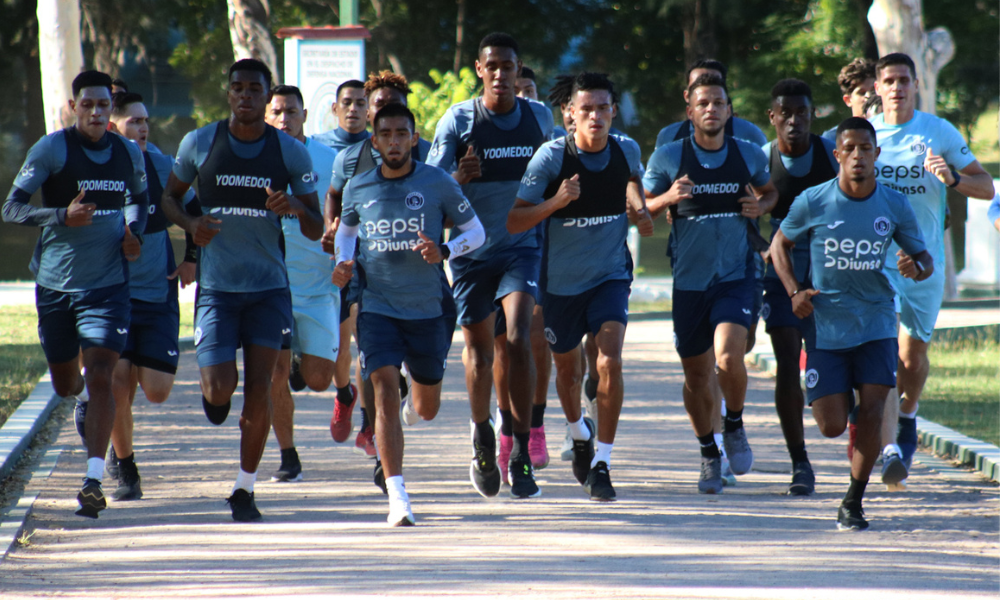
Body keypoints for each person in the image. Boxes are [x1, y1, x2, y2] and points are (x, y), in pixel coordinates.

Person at [161, 59, 323, 522]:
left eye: (256, 89)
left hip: (269, 290)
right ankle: (217, 397)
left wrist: (292, 205)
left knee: (260, 387)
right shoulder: (200, 143)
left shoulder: (289, 153)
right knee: (218, 387)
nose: (246, 96)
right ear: (228, 93)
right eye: (239, 88)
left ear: (267, 98)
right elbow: (168, 198)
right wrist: (192, 224)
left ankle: (244, 488)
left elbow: (315, 227)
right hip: (216, 289)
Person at [771, 117, 933, 530]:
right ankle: (844, 397)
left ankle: (853, 502)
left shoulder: (894, 204)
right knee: (831, 424)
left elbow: (924, 258)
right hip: (828, 325)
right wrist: (794, 292)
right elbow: (779, 245)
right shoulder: (815, 200)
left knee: (875, 407)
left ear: (877, 155)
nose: (858, 156)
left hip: (877, 320)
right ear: (838, 155)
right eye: (850, 149)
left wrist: (916, 267)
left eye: (866, 149)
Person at [2, 70, 148, 518]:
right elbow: (11, 208)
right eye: (88, 105)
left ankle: (92, 480)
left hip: (107, 287)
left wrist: (133, 233)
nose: (98, 113)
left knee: (103, 372)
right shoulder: (53, 149)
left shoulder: (127, 153)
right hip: (56, 286)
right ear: (74, 107)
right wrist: (61, 215)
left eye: (105, 105)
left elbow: (139, 202)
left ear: (111, 106)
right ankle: (85, 401)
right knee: (70, 384)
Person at [332, 103, 485, 525]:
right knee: (382, 385)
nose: (395, 141)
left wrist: (446, 250)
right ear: (374, 140)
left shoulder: (437, 182)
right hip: (378, 306)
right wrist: (344, 264)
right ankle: (398, 496)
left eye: (403, 134)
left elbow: (476, 232)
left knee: (426, 406)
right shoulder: (358, 187)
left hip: (429, 309)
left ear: (414, 138)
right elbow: (346, 235)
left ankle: (411, 412)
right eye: (387, 135)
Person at [508, 72, 653, 500]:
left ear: (613, 111)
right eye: (585, 109)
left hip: (609, 275)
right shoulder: (551, 159)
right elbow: (515, 220)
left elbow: (630, 181)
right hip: (559, 285)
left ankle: (603, 464)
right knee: (569, 371)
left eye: (602, 108)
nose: (595, 116)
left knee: (609, 362)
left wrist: (641, 210)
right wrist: (557, 201)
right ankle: (577, 434)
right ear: (569, 114)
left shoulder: (626, 149)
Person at [426, 32, 554, 499]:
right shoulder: (458, 120)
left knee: (519, 341)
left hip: (522, 249)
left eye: (509, 67)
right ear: (480, 70)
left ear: (520, 72)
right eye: (492, 66)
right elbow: (430, 187)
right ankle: (482, 433)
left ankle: (519, 450)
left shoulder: (539, 118)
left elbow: (560, 173)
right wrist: (459, 177)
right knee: (481, 354)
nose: (501, 75)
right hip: (470, 253)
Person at [643, 73, 777, 494]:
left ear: (729, 110)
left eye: (719, 103)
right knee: (697, 377)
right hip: (689, 283)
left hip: (735, 276)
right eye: (703, 104)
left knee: (727, 358)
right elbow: (641, 209)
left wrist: (761, 205)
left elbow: (770, 192)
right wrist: (668, 198)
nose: (711, 110)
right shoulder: (669, 156)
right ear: (690, 111)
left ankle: (733, 423)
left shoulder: (748, 154)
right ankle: (708, 454)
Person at [869, 53, 995, 486]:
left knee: (911, 355)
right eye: (889, 80)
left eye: (904, 79)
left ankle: (907, 414)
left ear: (916, 84)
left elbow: (986, 186)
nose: (897, 87)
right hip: (875, 261)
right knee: (882, 353)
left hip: (925, 263)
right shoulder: (868, 133)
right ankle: (886, 447)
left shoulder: (937, 132)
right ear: (877, 87)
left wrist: (954, 180)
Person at [321, 70, 433, 488]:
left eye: (393, 104)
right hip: (364, 270)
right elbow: (335, 194)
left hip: (414, 276)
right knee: (369, 353)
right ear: (369, 115)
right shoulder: (350, 158)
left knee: (412, 384)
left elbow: (439, 196)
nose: (385, 111)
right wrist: (333, 230)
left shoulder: (419, 156)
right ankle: (370, 424)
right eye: (378, 105)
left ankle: (389, 398)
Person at [105, 91, 199, 501]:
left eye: (145, 121)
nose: (143, 128)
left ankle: (111, 429)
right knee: (117, 383)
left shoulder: (162, 164)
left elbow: (196, 210)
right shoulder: (99, 169)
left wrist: (191, 258)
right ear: (114, 127)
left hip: (157, 293)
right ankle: (126, 468)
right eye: (134, 122)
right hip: (111, 295)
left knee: (157, 389)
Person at [759, 79, 838, 496]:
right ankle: (800, 463)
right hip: (780, 267)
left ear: (812, 115)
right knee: (788, 358)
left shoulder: (830, 155)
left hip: (829, 266)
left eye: (801, 113)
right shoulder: (762, 160)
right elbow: (743, 214)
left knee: (832, 356)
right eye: (784, 113)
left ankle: (859, 425)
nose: (793, 121)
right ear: (772, 117)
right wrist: (763, 249)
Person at [263, 84, 340, 483]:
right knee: (274, 373)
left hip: (319, 285)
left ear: (305, 116)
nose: (283, 120)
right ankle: (288, 455)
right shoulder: (254, 160)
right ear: (265, 116)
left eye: (291, 112)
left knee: (318, 379)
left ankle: (299, 360)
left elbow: (350, 210)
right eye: (276, 112)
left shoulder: (329, 159)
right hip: (270, 286)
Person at [654, 59, 767, 149]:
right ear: (687, 96)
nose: (707, 89)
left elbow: (766, 175)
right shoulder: (669, 136)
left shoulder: (748, 134)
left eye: (714, 82)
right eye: (697, 85)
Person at [821, 58, 875, 141]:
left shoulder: (893, 130)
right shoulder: (833, 137)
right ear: (848, 100)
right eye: (861, 93)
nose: (868, 96)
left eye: (873, 91)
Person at [313, 79, 369, 151]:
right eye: (346, 103)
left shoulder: (379, 146)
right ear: (335, 109)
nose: (353, 109)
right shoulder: (316, 145)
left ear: (369, 111)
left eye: (360, 104)